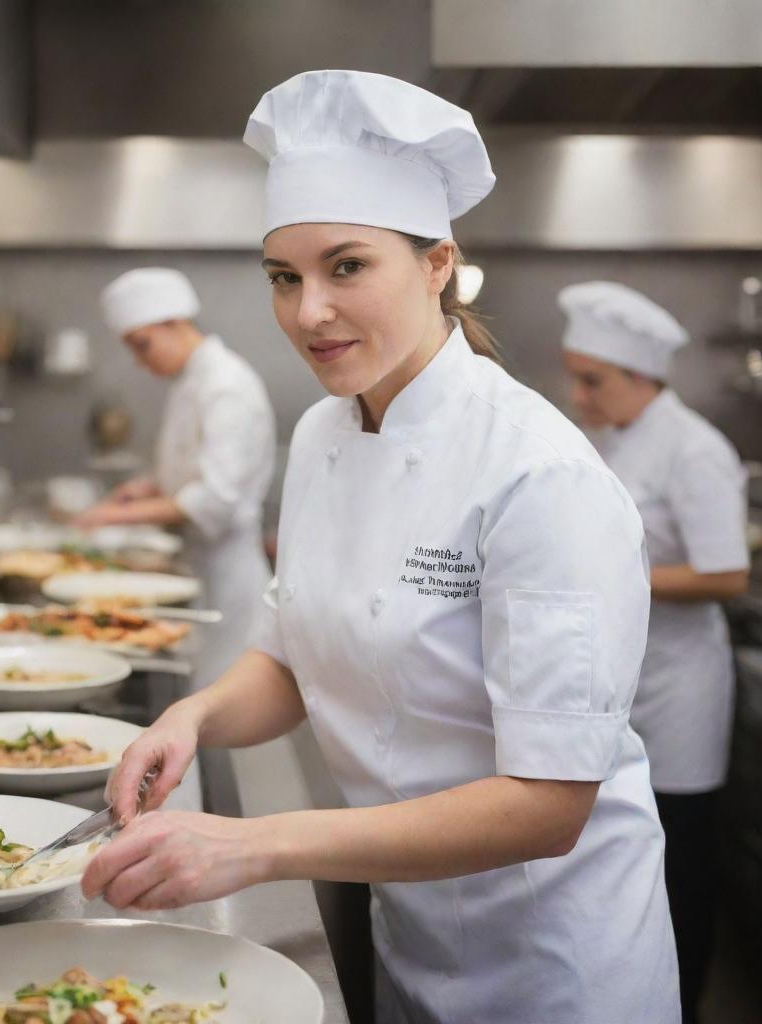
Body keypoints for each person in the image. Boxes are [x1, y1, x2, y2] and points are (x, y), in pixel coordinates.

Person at [81, 71, 679, 1024]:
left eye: (346, 267)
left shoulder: (538, 475)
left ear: (439, 263)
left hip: (553, 962)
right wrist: (189, 719)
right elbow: (290, 647)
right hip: (415, 926)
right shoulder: (325, 435)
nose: (307, 310)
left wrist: (256, 844)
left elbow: (548, 806)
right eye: (285, 277)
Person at [559, 280, 750, 1023]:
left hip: (679, 692)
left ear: (640, 377)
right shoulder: (609, 440)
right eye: (575, 375)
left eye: (592, 380)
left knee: (678, 863)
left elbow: (725, 572)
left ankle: (682, 1004)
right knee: (621, 856)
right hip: (621, 681)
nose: (578, 394)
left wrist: (607, 575)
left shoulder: (695, 449)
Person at [78, 268, 276, 685]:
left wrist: (109, 517)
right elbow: (190, 469)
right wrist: (147, 486)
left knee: (220, 692)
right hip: (198, 565)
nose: (141, 360)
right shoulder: (192, 382)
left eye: (143, 344)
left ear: (175, 322)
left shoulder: (226, 386)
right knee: (197, 691)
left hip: (228, 573)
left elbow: (215, 498)